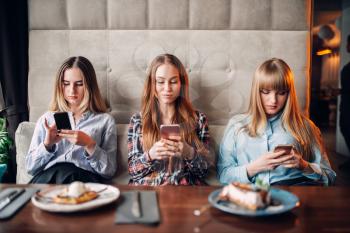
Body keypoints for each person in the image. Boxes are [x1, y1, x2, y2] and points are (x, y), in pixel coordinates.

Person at [218, 58, 336, 186]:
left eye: (281, 93)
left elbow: (329, 176)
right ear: (257, 91)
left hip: (297, 191)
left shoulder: (306, 126)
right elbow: (224, 175)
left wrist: (304, 165)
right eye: (266, 92)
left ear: (289, 94)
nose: (273, 100)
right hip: (255, 194)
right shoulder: (237, 125)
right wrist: (255, 167)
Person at [25, 56, 117, 184]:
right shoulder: (47, 119)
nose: (71, 90)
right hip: (49, 180)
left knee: (71, 175)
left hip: (82, 180)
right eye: (66, 83)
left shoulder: (105, 121)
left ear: (89, 86)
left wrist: (89, 144)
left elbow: (109, 171)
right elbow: (30, 168)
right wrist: (47, 144)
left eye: (79, 84)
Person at [128, 54, 211, 185]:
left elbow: (204, 171)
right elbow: (133, 170)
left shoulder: (198, 119)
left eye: (173, 81)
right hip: (150, 189)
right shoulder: (138, 120)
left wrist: (189, 152)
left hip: (185, 191)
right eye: (160, 82)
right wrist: (150, 155)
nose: (167, 88)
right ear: (152, 84)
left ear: (181, 84)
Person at [339, 35, 350, 170]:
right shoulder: (347, 68)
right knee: (345, 129)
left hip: (348, 107)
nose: (346, 46)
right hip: (346, 105)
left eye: (348, 43)